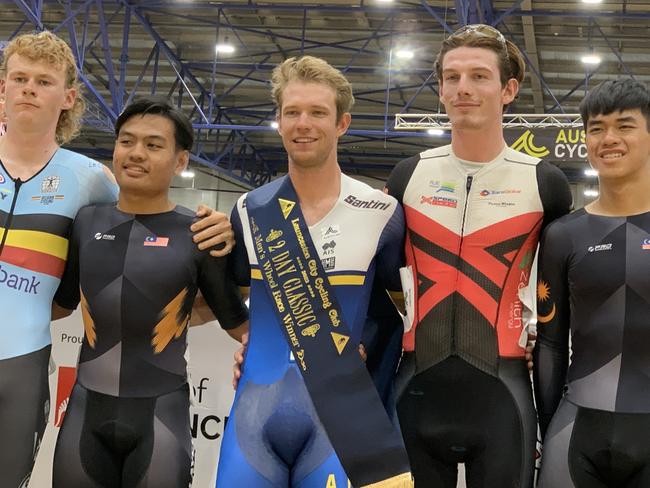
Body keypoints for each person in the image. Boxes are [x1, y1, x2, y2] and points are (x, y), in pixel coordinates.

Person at [0, 31, 233, 488]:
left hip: (24, 366)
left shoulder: (90, 181)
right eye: (19, 77)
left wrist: (217, 229)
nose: (28, 88)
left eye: (43, 81)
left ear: (67, 97)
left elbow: (142, 230)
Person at [385, 25, 572, 487]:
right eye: (452, 77)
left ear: (508, 90)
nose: (463, 88)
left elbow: (563, 285)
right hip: (414, 390)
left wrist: (542, 339)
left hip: (503, 396)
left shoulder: (544, 183)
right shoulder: (408, 176)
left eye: (479, 76)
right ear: (441, 88)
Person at [217, 55, 412, 488]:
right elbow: (226, 298)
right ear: (279, 121)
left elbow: (402, 311)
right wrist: (250, 340)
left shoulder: (382, 212)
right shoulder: (249, 210)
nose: (303, 123)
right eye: (292, 112)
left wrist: (362, 349)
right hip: (253, 415)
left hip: (341, 422)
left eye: (317, 113)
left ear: (342, 123)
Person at [50, 96, 249, 487]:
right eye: (127, 141)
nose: (136, 153)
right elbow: (57, 305)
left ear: (180, 161)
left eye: (154, 145)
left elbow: (238, 324)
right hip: (84, 414)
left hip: (161, 419)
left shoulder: (200, 234)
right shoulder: (85, 221)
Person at [534, 79, 650, 487]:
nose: (609, 138)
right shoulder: (564, 234)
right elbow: (550, 341)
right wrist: (546, 430)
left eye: (625, 125)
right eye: (597, 128)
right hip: (575, 431)